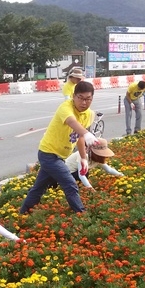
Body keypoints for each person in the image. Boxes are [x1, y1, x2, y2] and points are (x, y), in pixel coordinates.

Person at [20, 80, 99, 214]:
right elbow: (71, 121)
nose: (84, 103)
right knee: (70, 184)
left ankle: (23, 213)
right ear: (74, 96)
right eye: (81, 98)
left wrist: (83, 158)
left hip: (60, 157)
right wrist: (87, 134)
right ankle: (81, 214)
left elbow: (80, 136)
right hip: (48, 154)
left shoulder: (89, 114)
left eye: (88, 99)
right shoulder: (65, 107)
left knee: (39, 187)